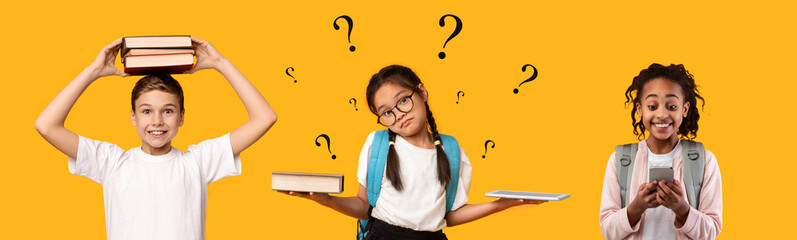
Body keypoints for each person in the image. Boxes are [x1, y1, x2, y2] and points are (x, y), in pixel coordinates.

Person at [34, 37, 277, 240]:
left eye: (168, 111)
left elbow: (264, 118)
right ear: (133, 117)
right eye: (147, 111)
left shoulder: (198, 162)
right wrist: (93, 71)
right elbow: (46, 126)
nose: (157, 121)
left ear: (181, 117)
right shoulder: (111, 163)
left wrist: (220, 63)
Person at [281, 64, 544, 240]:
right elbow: (363, 207)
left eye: (403, 100)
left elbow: (448, 217)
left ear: (422, 92)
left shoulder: (452, 151)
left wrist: (502, 204)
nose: (398, 115)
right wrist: (325, 199)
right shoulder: (377, 144)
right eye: (386, 112)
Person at [599, 63, 722, 240]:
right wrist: (637, 206)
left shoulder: (705, 161)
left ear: (684, 109)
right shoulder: (620, 160)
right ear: (639, 109)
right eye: (652, 106)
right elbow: (608, 230)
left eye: (671, 106)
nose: (662, 114)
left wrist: (682, 208)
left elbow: (711, 232)